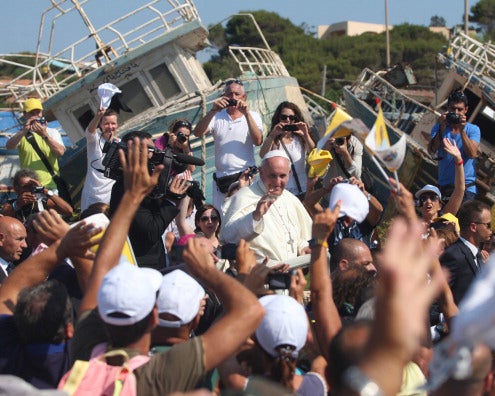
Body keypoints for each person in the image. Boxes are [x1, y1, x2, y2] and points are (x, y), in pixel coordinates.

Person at [71, 138, 265, 394]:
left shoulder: (87, 351)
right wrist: (208, 271)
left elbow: (100, 273)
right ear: (154, 316)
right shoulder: (157, 374)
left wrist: (130, 197)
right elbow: (251, 311)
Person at [0, 210, 100, 388]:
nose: (23, 245)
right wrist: (70, 244)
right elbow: (97, 297)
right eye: (18, 239)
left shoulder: (7, 355)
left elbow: (10, 289)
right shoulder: (86, 365)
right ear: (70, 330)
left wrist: (63, 245)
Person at [109, 130, 187, 269]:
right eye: (149, 150)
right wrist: (170, 201)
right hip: (142, 268)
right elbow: (151, 231)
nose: (154, 154)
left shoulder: (139, 184)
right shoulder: (124, 188)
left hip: (155, 262)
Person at [220, 150, 312, 263]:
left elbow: (301, 235)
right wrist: (255, 216)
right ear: (261, 172)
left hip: (292, 271)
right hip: (259, 273)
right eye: (272, 176)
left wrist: (302, 247)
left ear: (290, 173)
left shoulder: (291, 199)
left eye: (282, 176)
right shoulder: (243, 197)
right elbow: (228, 236)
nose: (278, 182)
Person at [193, 79, 263, 211]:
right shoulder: (217, 116)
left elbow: (258, 141)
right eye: (229, 94)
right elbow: (198, 133)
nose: (233, 98)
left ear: (244, 97)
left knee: (245, 212)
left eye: (237, 94)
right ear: (224, 96)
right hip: (221, 179)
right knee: (221, 218)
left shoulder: (253, 116)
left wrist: (246, 113)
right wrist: (213, 110)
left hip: (244, 176)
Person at [428, 89, 480, 201]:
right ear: (447, 109)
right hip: (444, 187)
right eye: (453, 109)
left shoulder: (473, 130)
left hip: (465, 189)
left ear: (466, 110)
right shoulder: (438, 127)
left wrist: (462, 131)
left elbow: (472, 154)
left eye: (460, 109)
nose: (456, 113)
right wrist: (441, 127)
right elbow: (432, 150)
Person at [440, 200, 493, 305]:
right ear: (473, 227)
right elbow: (436, 296)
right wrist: (443, 318)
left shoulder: (478, 256)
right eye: (488, 225)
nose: (491, 230)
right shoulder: (454, 255)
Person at [6, 98, 65, 190]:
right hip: (30, 187)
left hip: (51, 185)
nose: (35, 116)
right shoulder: (21, 135)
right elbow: (9, 146)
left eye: (38, 113)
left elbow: (60, 152)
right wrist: (24, 130)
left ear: (41, 113)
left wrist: (44, 135)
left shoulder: (52, 132)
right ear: (25, 115)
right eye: (31, 113)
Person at [259, 101, 315, 199]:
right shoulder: (274, 139)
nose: (288, 120)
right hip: (283, 190)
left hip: (302, 188)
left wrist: (306, 134)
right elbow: (262, 155)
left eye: (291, 118)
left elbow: (313, 153)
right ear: (278, 118)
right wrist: (273, 134)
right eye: (284, 117)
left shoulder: (300, 137)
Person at [80, 108, 119, 211]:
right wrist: (98, 115)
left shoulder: (120, 143)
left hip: (112, 193)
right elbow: (90, 130)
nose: (110, 127)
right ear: (100, 125)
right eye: (106, 124)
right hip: (93, 193)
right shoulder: (94, 139)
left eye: (113, 123)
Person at [1, 169, 73, 222]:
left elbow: (68, 211)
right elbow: (3, 216)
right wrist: (18, 204)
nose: (29, 189)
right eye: (25, 186)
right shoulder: (11, 203)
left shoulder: (43, 202)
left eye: (31, 186)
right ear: (17, 188)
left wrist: (45, 191)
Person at [0, 216, 27, 283]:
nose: (25, 245)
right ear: (1, 239)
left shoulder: (14, 270)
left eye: (24, 239)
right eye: (19, 239)